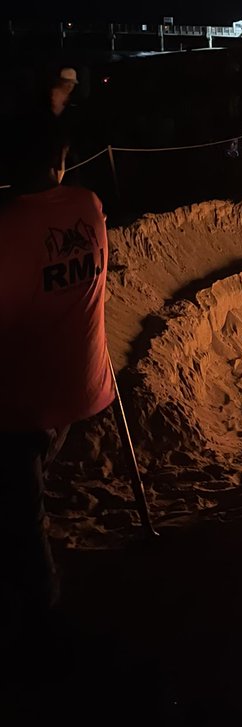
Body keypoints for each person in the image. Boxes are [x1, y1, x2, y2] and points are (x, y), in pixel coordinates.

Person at [0, 123, 114, 623]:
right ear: (60, 164)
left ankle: (43, 607)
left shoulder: (7, 228)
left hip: (27, 403)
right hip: (86, 383)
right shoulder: (88, 206)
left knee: (21, 500)